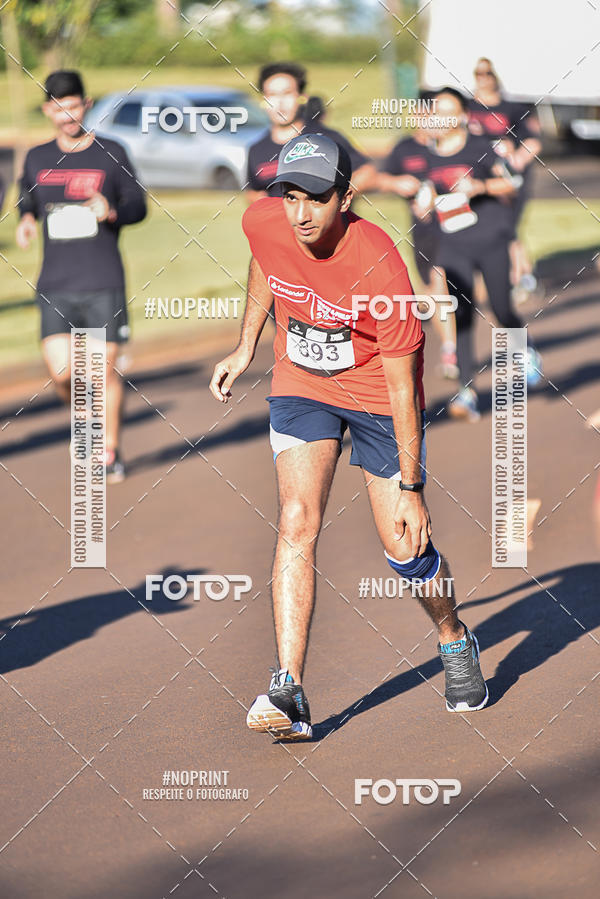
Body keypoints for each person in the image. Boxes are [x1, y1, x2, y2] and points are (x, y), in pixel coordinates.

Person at [210, 133, 488, 741]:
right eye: (291, 196)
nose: (300, 213)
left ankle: (452, 636)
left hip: (376, 400)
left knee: (405, 547)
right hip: (302, 384)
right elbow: (266, 259)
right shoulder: (270, 218)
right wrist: (247, 344)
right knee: (297, 519)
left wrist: (413, 486)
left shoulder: (381, 268)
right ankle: (289, 689)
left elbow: (402, 389)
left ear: (346, 197)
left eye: (316, 198)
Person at [16, 70, 147, 482]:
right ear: (47, 111)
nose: (67, 114)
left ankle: (108, 451)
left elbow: (138, 207)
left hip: (102, 280)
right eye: (58, 107)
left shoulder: (112, 152)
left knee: (102, 372)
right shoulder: (37, 157)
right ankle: (84, 422)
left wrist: (111, 210)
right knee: (62, 373)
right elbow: (27, 197)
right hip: (56, 282)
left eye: (73, 105)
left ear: (85, 105)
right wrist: (25, 220)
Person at [419, 88, 542, 422]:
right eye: (435, 111)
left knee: (501, 308)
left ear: (461, 116)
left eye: (448, 111)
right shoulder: (425, 155)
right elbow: (422, 192)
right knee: (462, 314)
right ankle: (465, 391)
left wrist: (480, 188)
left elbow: (512, 182)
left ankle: (525, 348)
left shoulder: (480, 148)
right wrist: (423, 201)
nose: (440, 118)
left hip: (490, 237)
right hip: (452, 243)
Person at [379, 114, 458, 379]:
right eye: (420, 115)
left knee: (439, 280)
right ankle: (452, 348)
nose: (426, 121)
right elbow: (380, 178)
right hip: (421, 232)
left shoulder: (448, 145)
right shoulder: (404, 149)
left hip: (453, 229)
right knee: (432, 288)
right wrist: (396, 184)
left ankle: (452, 350)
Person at [245, 62, 375, 203]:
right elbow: (254, 192)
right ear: (263, 100)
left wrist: (329, 198)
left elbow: (368, 173)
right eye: (272, 95)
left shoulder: (327, 138)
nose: (280, 102)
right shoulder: (256, 149)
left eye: (287, 93)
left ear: (302, 97)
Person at [468, 58, 542, 304]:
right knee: (487, 230)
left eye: (487, 73)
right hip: (479, 182)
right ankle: (507, 280)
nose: (483, 78)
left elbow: (532, 141)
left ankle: (518, 279)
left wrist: (515, 159)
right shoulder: (466, 108)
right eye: (478, 74)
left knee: (508, 230)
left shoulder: (512, 108)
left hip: (507, 183)